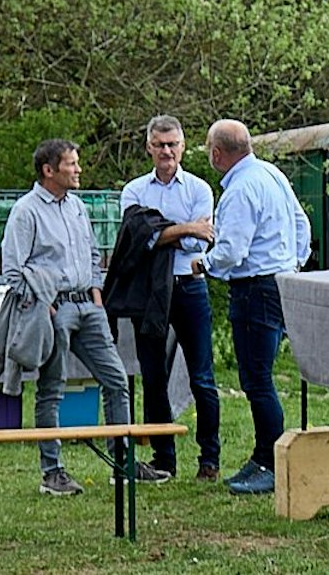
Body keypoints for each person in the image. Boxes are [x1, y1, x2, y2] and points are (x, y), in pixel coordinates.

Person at [0, 139, 149, 496]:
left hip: (89, 308)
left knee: (116, 380)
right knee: (52, 388)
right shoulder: (26, 212)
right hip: (54, 309)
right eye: (72, 164)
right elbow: (13, 271)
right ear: (49, 170)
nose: (79, 169)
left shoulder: (78, 206)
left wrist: (96, 295)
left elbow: (93, 254)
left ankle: (122, 464)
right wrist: (45, 305)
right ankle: (52, 473)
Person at [203, 119, 311, 496]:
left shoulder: (239, 190)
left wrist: (204, 264)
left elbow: (232, 250)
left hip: (254, 288)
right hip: (278, 283)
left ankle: (271, 462)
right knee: (259, 377)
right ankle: (263, 457)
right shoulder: (271, 174)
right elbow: (301, 224)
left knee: (257, 379)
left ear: (218, 153)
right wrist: (292, 264)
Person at [118, 115, 221, 481]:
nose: (166, 151)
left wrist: (159, 233)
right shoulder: (134, 191)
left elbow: (198, 243)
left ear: (183, 146)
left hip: (189, 287)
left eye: (172, 144)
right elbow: (136, 240)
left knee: (202, 376)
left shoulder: (199, 189)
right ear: (149, 147)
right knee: (153, 375)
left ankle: (209, 459)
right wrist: (185, 227)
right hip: (149, 292)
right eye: (160, 145)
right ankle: (164, 460)